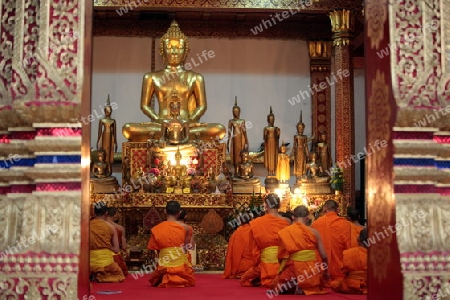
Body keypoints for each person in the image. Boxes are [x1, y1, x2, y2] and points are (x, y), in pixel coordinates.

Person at [122, 20, 226, 142]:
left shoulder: (195, 77)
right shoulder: (151, 77)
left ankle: (179, 135)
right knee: (128, 129)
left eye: (179, 48)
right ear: (162, 50)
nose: (174, 52)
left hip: (187, 125)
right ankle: (171, 135)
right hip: (161, 125)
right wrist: (158, 119)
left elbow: (202, 106)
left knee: (219, 130)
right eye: (170, 47)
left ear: (186, 51)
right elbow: (145, 105)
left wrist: (188, 121)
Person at [271, 205, 328, 295]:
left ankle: (296, 285)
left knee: (277, 285)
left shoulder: (286, 231)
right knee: (316, 280)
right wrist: (325, 272)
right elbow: (324, 255)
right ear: (308, 217)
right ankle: (306, 286)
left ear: (293, 217)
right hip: (312, 269)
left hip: (293, 267)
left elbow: (281, 255)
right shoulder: (314, 232)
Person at [240, 193, 290, 288]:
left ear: (265, 206)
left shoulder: (256, 223)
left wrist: (259, 262)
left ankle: (264, 275)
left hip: (265, 263)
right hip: (284, 264)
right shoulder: (286, 222)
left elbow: (254, 250)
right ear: (279, 205)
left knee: (245, 279)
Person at [147, 200, 196, 287]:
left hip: (163, 264)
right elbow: (187, 247)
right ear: (179, 212)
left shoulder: (156, 229)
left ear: (165, 211)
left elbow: (155, 249)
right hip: (179, 264)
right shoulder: (187, 228)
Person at [310, 200, 352, 287]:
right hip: (339, 271)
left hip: (321, 271)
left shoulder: (316, 223)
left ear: (325, 208)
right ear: (337, 209)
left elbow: (312, 247)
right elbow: (348, 247)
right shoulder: (345, 224)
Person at [89, 202, 125, 283]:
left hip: (89, 264)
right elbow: (116, 250)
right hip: (106, 263)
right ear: (106, 213)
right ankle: (101, 275)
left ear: (94, 212)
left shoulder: (87, 226)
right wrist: (108, 247)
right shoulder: (111, 227)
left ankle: (95, 274)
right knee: (119, 275)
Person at [332, 228, 368, 294]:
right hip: (370, 284)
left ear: (358, 239)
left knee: (335, 283)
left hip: (351, 285)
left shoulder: (350, 253)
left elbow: (344, 271)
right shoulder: (377, 255)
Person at [222, 214, 257, 279]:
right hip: (254, 266)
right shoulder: (255, 232)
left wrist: (230, 270)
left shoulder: (236, 233)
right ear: (251, 220)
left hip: (240, 267)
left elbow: (231, 254)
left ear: (240, 221)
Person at [227, 97, 249, 177]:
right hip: (234, 140)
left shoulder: (242, 121)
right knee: (235, 156)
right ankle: (236, 171)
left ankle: (241, 171)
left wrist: (246, 141)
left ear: (239, 112)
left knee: (241, 155)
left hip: (241, 139)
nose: (235, 112)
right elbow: (229, 133)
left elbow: (244, 131)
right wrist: (227, 142)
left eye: (237, 111)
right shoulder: (231, 121)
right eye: (234, 111)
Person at [106, 207, 129, 277]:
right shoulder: (120, 228)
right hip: (116, 257)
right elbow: (124, 247)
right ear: (115, 215)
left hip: (101, 255)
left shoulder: (100, 226)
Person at [292, 111, 313, 182]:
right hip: (297, 151)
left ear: (303, 128)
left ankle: (301, 176)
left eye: (301, 128)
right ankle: (298, 177)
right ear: (297, 128)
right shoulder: (296, 136)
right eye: (299, 127)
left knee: (302, 163)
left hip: (302, 151)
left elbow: (306, 146)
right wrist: (292, 154)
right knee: (297, 164)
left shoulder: (304, 137)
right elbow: (294, 145)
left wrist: (308, 154)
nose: (300, 129)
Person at [97, 95, 117, 165]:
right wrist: (98, 140)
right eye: (106, 110)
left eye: (109, 110)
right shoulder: (102, 120)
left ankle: (108, 164)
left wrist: (115, 141)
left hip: (110, 137)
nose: (108, 112)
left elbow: (114, 133)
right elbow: (99, 132)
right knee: (103, 150)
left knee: (109, 151)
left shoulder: (113, 121)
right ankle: (103, 163)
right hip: (104, 135)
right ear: (104, 110)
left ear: (111, 111)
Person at [263, 107, 281, 176]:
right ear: (267, 120)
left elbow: (278, 138)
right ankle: (269, 171)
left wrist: (278, 134)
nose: (271, 121)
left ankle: (273, 171)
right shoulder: (266, 128)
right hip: (268, 144)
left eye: (272, 119)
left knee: (273, 158)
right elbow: (264, 138)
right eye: (270, 119)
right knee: (269, 158)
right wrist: (265, 135)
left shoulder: (276, 128)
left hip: (274, 144)